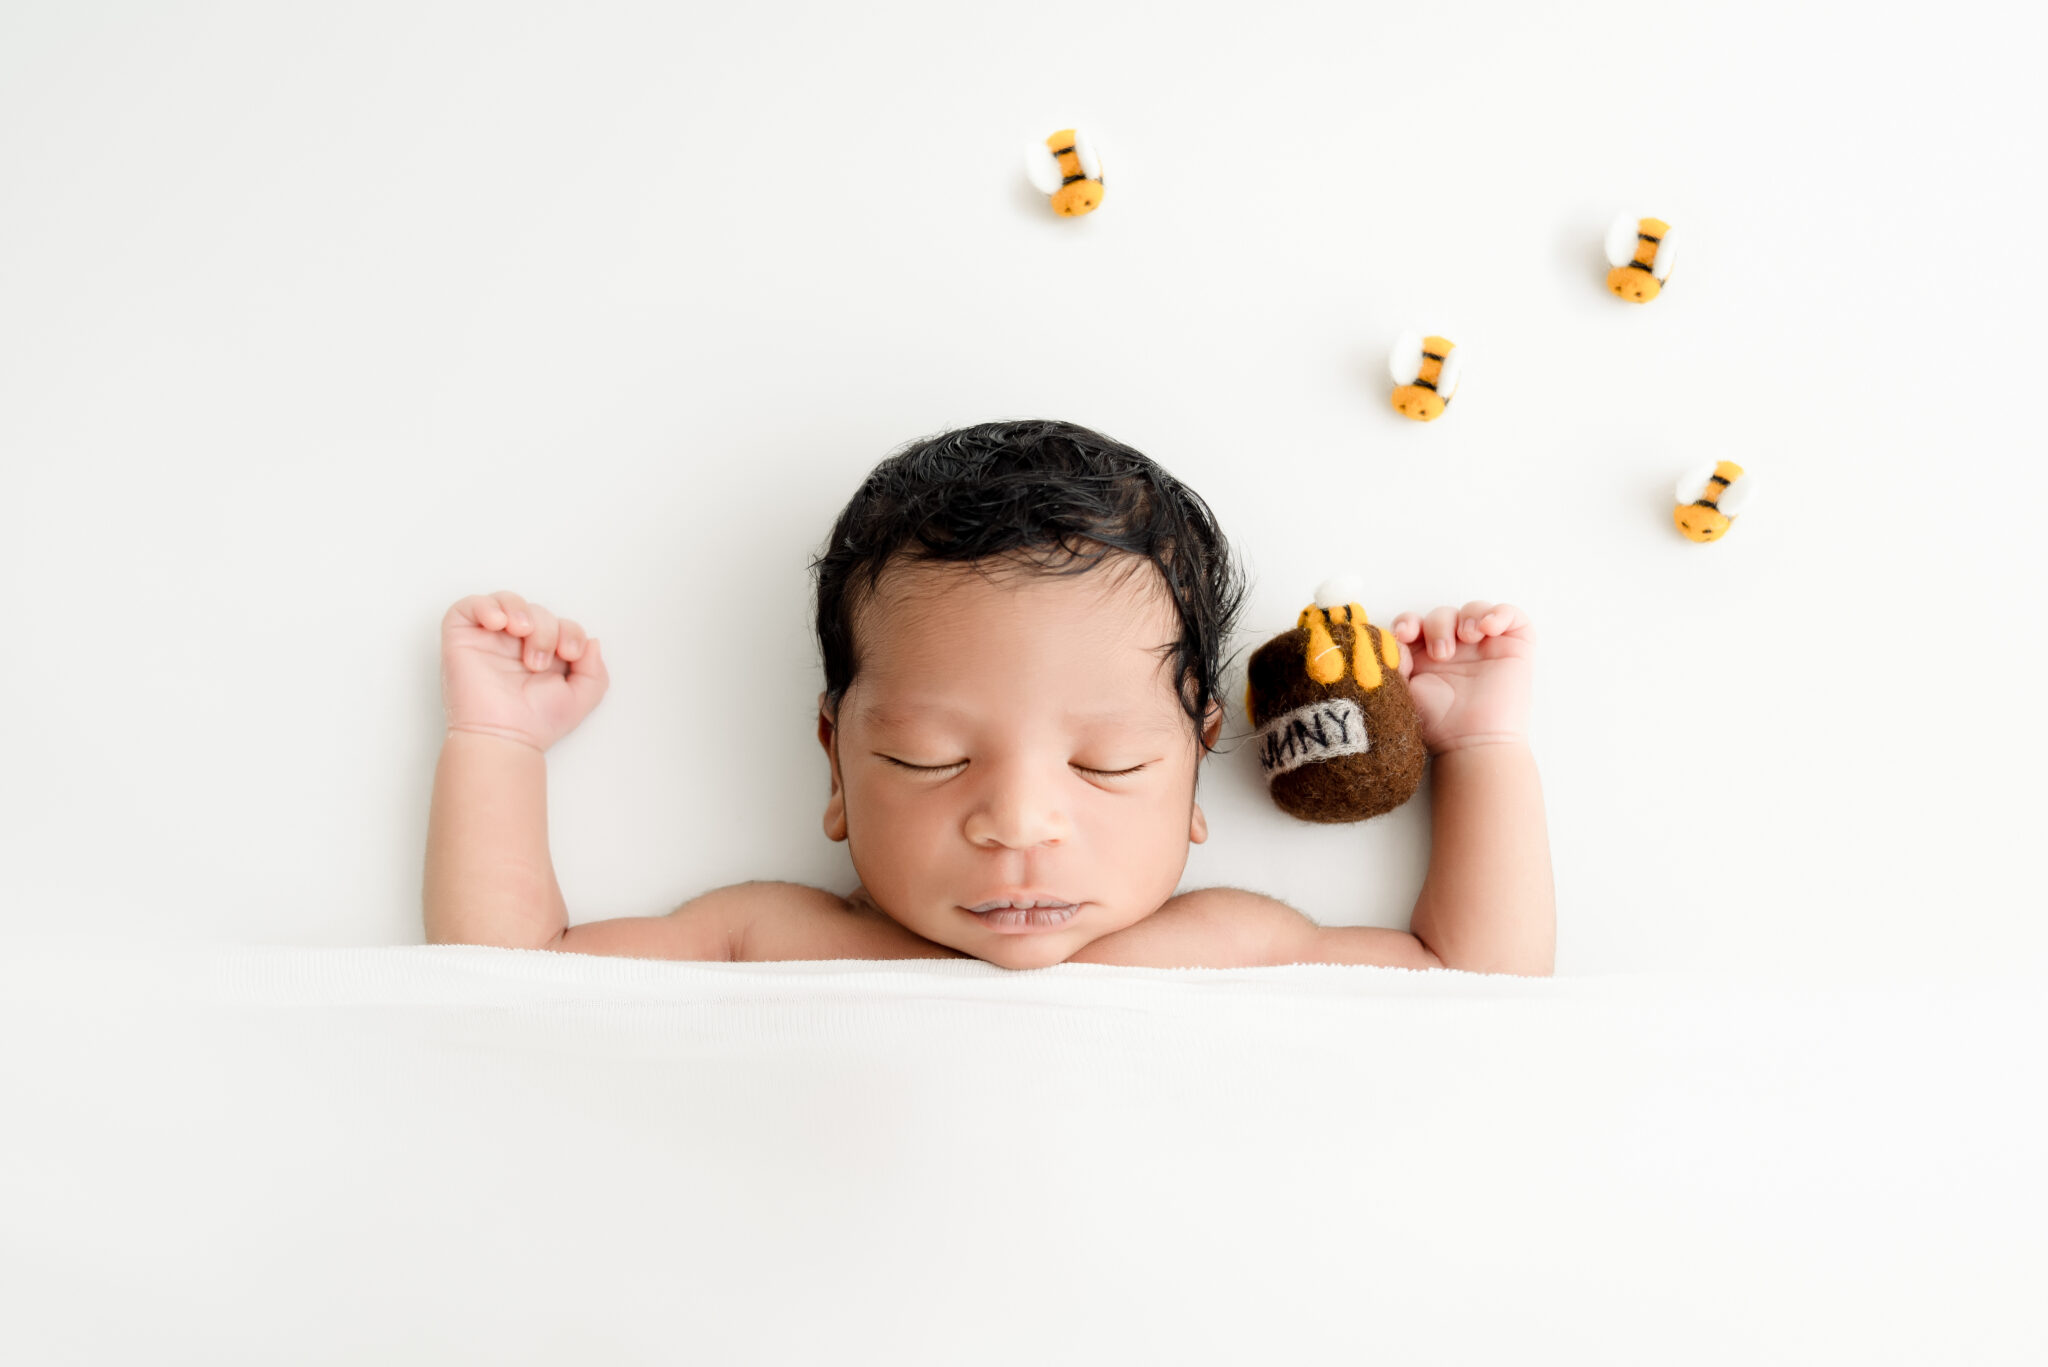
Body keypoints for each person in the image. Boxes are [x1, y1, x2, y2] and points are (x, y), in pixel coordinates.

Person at [423, 419, 1554, 974]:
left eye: (1109, 763)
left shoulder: (1228, 943)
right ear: (834, 760)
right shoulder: (775, 937)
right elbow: (504, 982)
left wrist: (1479, 743)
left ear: (1200, 764)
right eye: (925, 756)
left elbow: (1479, 989)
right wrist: (495, 737)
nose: (1016, 822)